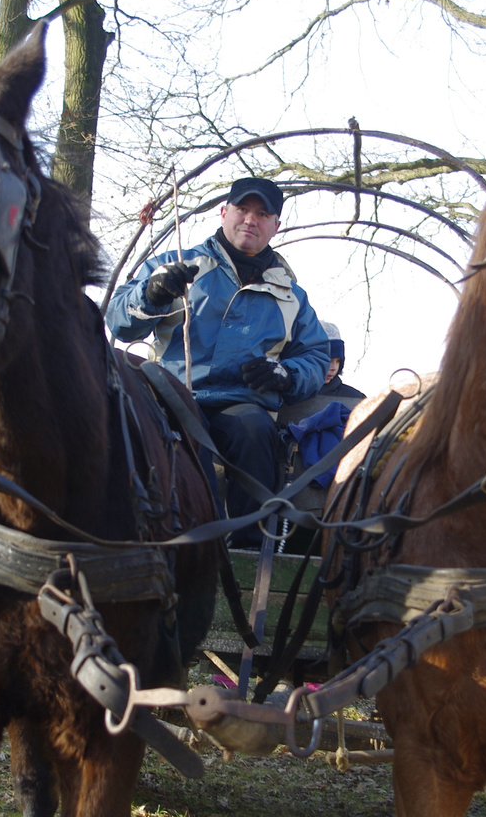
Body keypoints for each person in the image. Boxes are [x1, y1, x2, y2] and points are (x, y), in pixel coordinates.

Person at [106, 177, 330, 547]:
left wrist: (287, 375)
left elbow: (316, 355)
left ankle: (249, 551)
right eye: (242, 209)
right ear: (224, 212)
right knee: (183, 445)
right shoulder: (176, 265)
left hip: (242, 404)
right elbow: (118, 320)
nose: (250, 220)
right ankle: (186, 546)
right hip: (173, 394)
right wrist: (152, 294)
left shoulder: (291, 296)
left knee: (255, 433)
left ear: (276, 226)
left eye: (263, 214)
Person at [317, 322, 365, 401]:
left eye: (338, 361)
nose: (334, 368)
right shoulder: (293, 395)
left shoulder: (355, 398)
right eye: (329, 361)